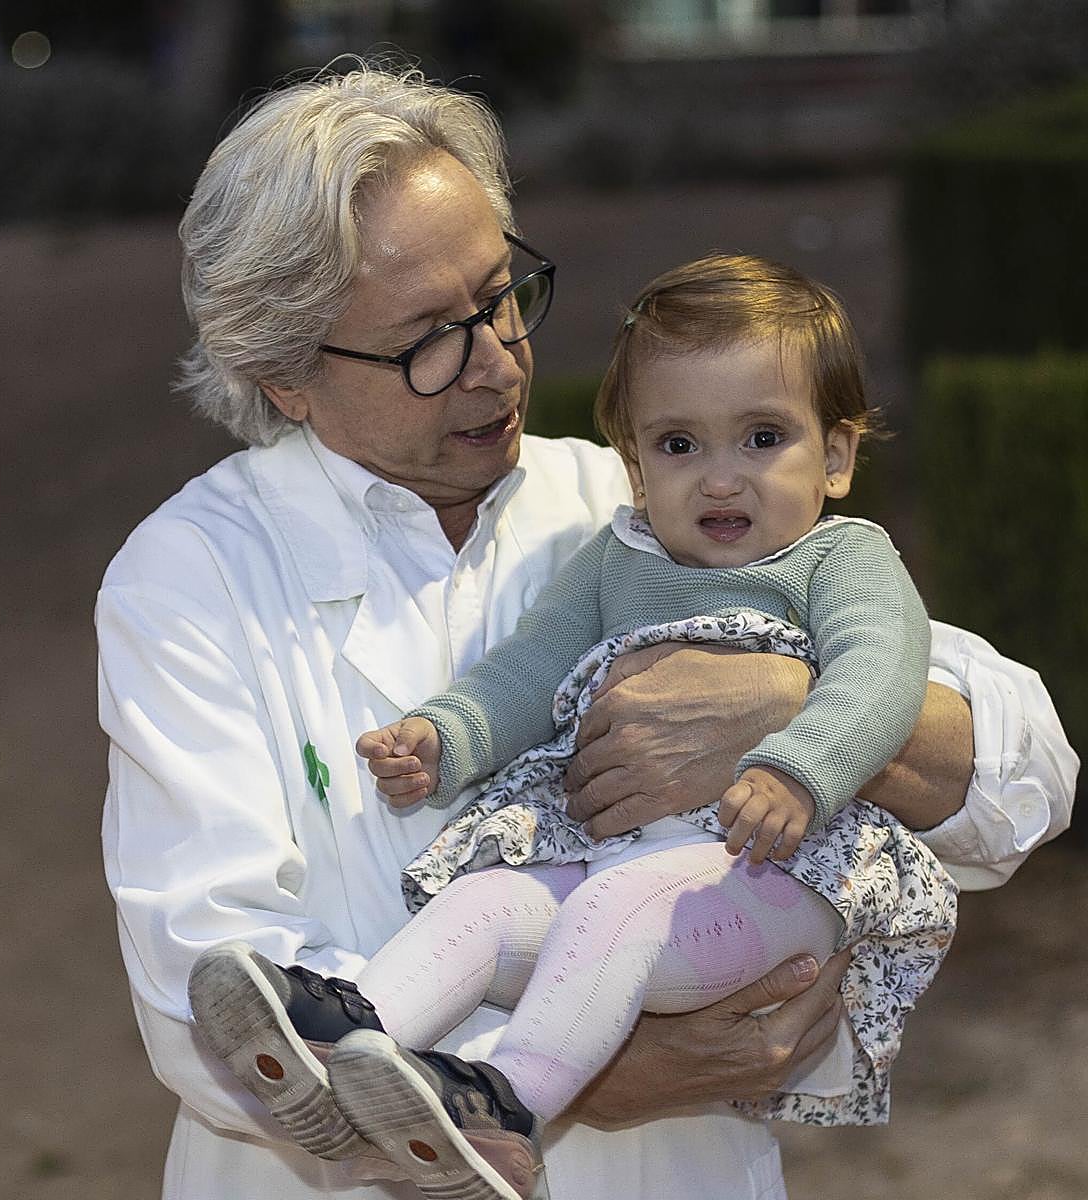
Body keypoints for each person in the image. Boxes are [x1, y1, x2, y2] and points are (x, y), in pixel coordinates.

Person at [97, 63, 1077, 1200]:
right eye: (427, 339)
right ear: (283, 377)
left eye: (501, 292)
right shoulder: (193, 578)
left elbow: (1028, 778)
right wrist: (593, 1066)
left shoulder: (650, 501)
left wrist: (785, 713)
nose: (498, 360)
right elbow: (205, 995)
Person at [189, 256, 957, 1200]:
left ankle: (505, 1113)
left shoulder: (843, 559)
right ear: (635, 468)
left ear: (835, 457)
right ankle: (344, 1052)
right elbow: (526, 669)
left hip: (782, 867)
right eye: (678, 446)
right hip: (622, 866)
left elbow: (884, 673)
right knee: (485, 904)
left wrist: (800, 764)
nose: (720, 479)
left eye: (762, 438)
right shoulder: (618, 558)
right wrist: (445, 737)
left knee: (609, 910)